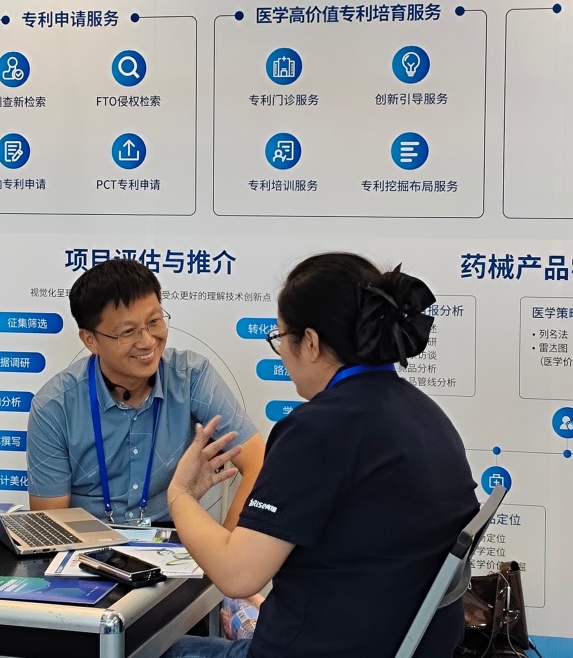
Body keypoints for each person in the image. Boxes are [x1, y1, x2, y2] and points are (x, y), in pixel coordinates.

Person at [162, 252, 479, 658]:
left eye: (280, 338)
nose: (282, 352)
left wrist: (181, 494)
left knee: (152, 649)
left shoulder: (318, 430)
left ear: (310, 342)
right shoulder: (426, 415)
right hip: (402, 645)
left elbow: (237, 575)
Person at [27, 258, 265, 527]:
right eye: (128, 331)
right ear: (90, 340)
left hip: (173, 538)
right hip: (86, 541)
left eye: (154, 322)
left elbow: (257, 461)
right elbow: (50, 524)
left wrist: (230, 545)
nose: (148, 341)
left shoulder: (191, 377)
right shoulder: (54, 405)